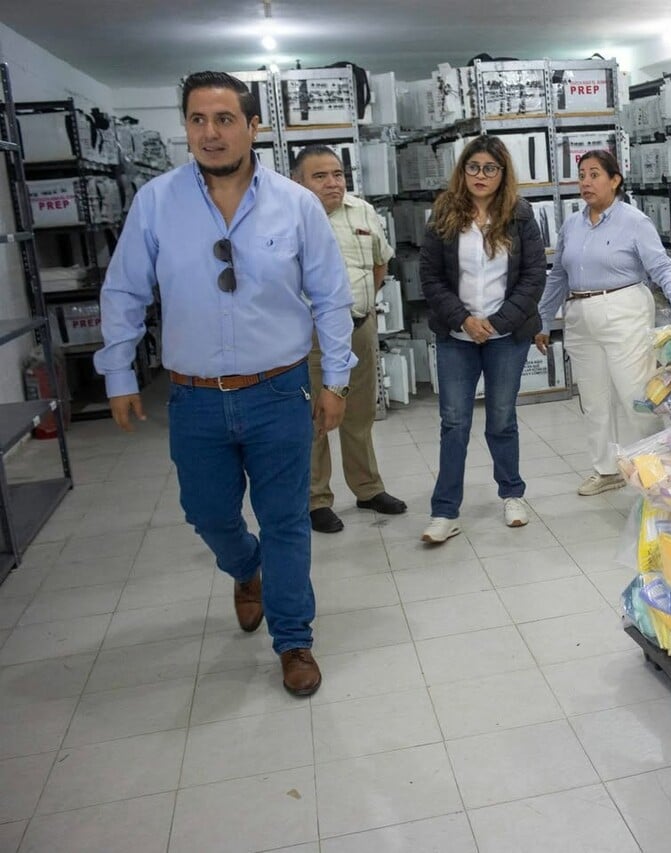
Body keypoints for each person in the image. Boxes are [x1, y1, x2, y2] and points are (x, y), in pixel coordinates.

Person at [94, 71, 356, 697]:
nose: (210, 133)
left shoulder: (294, 205)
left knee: (287, 518)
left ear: (252, 126)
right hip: (194, 397)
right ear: (185, 126)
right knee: (205, 512)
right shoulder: (157, 202)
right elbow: (125, 290)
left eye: (224, 119)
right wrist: (119, 371)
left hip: (277, 389)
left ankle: (294, 640)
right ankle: (246, 569)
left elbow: (330, 295)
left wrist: (337, 379)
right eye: (197, 120)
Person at [535, 150, 671, 496]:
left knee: (635, 394)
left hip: (623, 308)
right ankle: (606, 470)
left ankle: (654, 469)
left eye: (594, 174)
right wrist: (544, 320)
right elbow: (558, 275)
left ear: (615, 180)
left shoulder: (633, 221)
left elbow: (661, 266)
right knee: (593, 399)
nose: (586, 182)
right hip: (580, 315)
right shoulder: (572, 225)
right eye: (582, 175)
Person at [418, 135, 546, 543]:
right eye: (473, 167)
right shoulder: (443, 214)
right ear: (463, 171)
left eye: (490, 168)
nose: (481, 175)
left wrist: (498, 321)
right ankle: (444, 511)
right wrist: (464, 319)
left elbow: (533, 277)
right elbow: (431, 278)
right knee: (454, 421)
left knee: (502, 418)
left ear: (503, 174)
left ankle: (512, 494)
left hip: (506, 334)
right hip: (457, 334)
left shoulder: (521, 215)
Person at [293, 145, 407, 534]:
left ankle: (367, 488)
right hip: (309, 338)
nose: (332, 183)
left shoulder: (362, 211)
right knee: (316, 420)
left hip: (358, 328)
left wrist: (363, 306)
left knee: (359, 414)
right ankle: (316, 499)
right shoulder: (288, 218)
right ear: (298, 182)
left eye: (338, 174)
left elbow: (380, 262)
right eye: (320, 176)